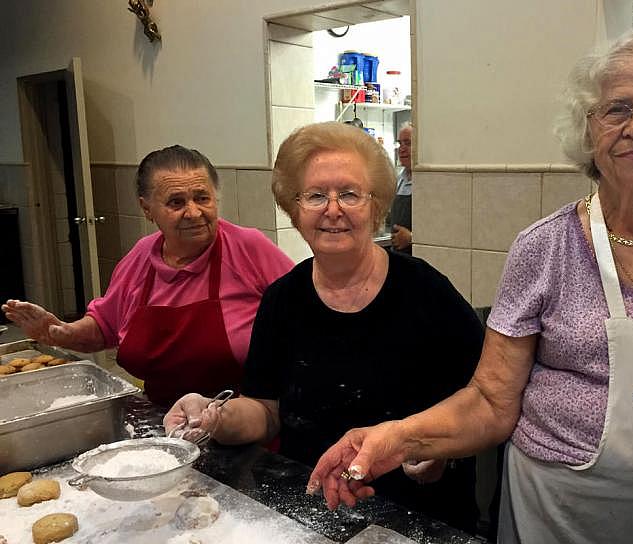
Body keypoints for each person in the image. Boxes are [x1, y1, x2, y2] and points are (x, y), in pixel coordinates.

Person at [307, 33, 633, 544]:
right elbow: (490, 400)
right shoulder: (543, 248)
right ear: (588, 130)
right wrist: (395, 437)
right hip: (566, 515)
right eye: (616, 110)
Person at [164, 122, 483, 532]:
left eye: (349, 194)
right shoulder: (282, 300)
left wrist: (440, 449)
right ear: (294, 210)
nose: (333, 210)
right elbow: (265, 411)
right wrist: (214, 415)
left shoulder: (428, 292)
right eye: (316, 195)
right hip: (311, 510)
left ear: (376, 205)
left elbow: (484, 401)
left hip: (419, 517)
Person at [2, 145, 293, 406]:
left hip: (249, 425)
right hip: (161, 425)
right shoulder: (141, 257)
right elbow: (105, 328)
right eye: (176, 202)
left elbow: (308, 312)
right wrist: (62, 333)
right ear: (147, 208)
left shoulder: (248, 248)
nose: (193, 212)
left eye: (202, 198)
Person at [389, 124, 413, 253]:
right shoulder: (399, 179)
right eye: (400, 144)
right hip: (398, 254)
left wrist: (411, 237)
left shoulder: (428, 184)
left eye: (408, 143)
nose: (402, 149)